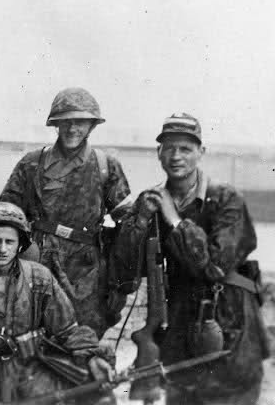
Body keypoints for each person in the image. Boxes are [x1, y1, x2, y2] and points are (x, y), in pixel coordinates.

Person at [114, 113, 269, 405]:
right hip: (179, 321)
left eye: (185, 148)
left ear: (201, 153)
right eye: (169, 148)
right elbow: (124, 270)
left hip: (229, 321)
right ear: (158, 153)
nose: (176, 156)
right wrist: (141, 219)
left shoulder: (226, 199)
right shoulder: (151, 200)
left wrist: (174, 218)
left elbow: (215, 266)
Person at [0, 201, 114, 404]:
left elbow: (67, 330)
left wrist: (93, 358)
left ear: (20, 244)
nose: (2, 249)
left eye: (9, 242)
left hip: (32, 374)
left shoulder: (39, 278)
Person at [0, 87, 133, 338]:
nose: (72, 129)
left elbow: (126, 223)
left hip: (85, 270)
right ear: (56, 125)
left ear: (91, 126)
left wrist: (120, 278)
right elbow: (5, 215)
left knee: (81, 337)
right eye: (65, 122)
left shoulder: (105, 166)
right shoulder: (32, 163)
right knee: (28, 335)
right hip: (37, 260)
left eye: (80, 122)